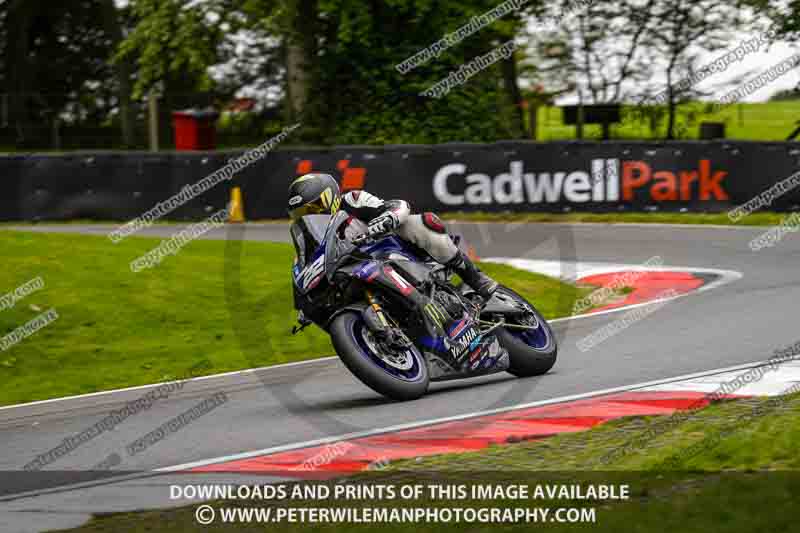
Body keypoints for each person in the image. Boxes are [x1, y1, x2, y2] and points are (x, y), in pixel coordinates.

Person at [287, 172, 498, 299]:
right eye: (302, 213)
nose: (311, 215)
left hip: (392, 252)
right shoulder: (310, 242)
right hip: (357, 275)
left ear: (329, 195)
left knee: (417, 223)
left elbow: (397, 206)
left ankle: (475, 277)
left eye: (314, 206)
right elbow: (302, 273)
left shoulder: (353, 200)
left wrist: (387, 218)